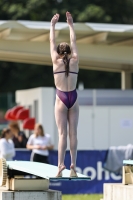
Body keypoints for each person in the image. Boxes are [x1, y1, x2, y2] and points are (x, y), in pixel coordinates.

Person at [50, 11, 79, 177]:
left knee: (62, 134)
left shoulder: (55, 60)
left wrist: (52, 25)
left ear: (59, 52)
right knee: (73, 133)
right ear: (68, 51)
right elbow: (74, 40)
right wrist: (70, 24)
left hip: (61, 98)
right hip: (73, 98)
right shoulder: (75, 60)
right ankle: (73, 166)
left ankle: (61, 165)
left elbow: (51, 40)